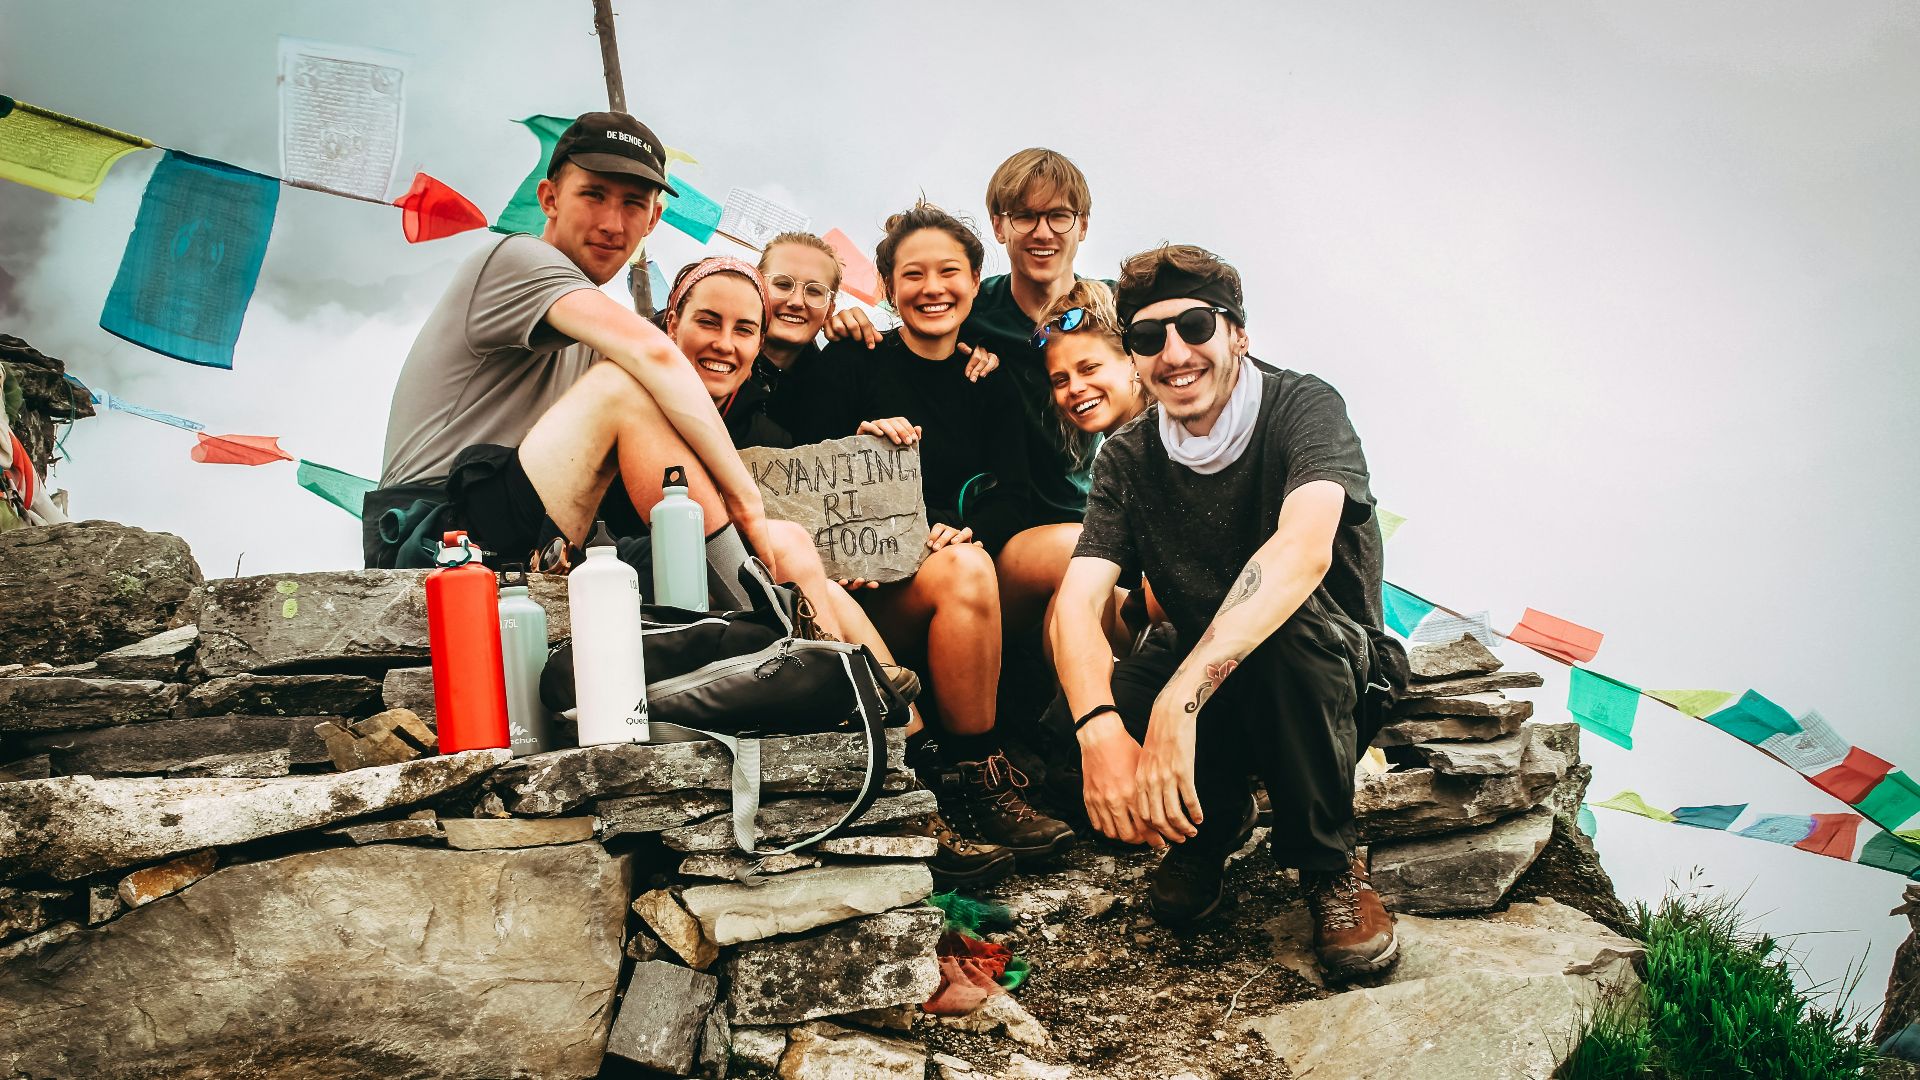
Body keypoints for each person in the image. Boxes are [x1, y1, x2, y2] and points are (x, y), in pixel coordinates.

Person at [1048, 243, 1408, 982]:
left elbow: (1302, 552)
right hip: (1203, 660)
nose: (1175, 353)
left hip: (1327, 665)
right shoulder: (1127, 456)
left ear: (1238, 333)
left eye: (1196, 327)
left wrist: (1180, 701)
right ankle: (1209, 824)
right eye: (1149, 337)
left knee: (1283, 631)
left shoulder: (1302, 407)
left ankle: (1329, 865)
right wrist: (1097, 731)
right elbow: (1077, 602)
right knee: (1075, 720)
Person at [662, 251, 1020, 886]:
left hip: (801, 578)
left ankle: (930, 776)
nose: (726, 342)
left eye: (743, 329)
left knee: (837, 584)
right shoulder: (655, 391)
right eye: (709, 322)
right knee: (808, 567)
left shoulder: (769, 406)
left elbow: (821, 495)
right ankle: (913, 775)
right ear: (671, 323)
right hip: (683, 583)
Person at [367, 111, 781, 609]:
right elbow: (657, 354)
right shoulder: (514, 259)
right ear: (550, 199)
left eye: (632, 204)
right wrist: (746, 504)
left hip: (534, 534)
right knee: (624, 389)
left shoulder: (598, 328)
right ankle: (765, 616)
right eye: (593, 195)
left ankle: (842, 649)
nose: (611, 223)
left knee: (779, 545)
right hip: (432, 533)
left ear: (652, 220)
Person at [775, 204, 1075, 868]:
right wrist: (860, 450)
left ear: (973, 281)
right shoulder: (852, 360)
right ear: (887, 287)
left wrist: (967, 528)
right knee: (966, 569)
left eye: (949, 272)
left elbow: (1015, 495)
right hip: (867, 585)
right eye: (913, 274)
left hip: (951, 567)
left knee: (990, 558)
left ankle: (1028, 770)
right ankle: (972, 780)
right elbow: (803, 479)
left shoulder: (988, 377)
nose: (932, 288)